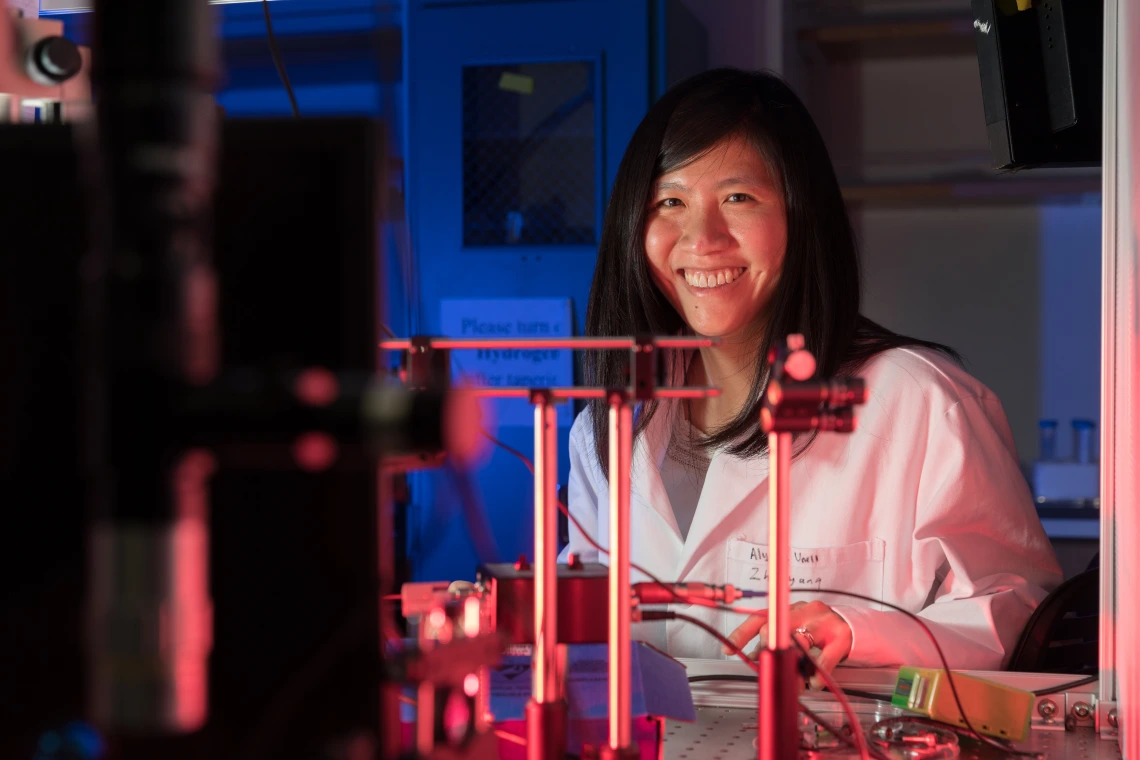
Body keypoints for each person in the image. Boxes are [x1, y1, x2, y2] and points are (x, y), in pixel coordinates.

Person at [559, 68, 1062, 685]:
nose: (702, 238)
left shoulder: (919, 403)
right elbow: (584, 616)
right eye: (670, 202)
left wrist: (857, 630)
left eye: (738, 198)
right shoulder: (610, 427)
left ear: (802, 216)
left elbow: (1018, 612)